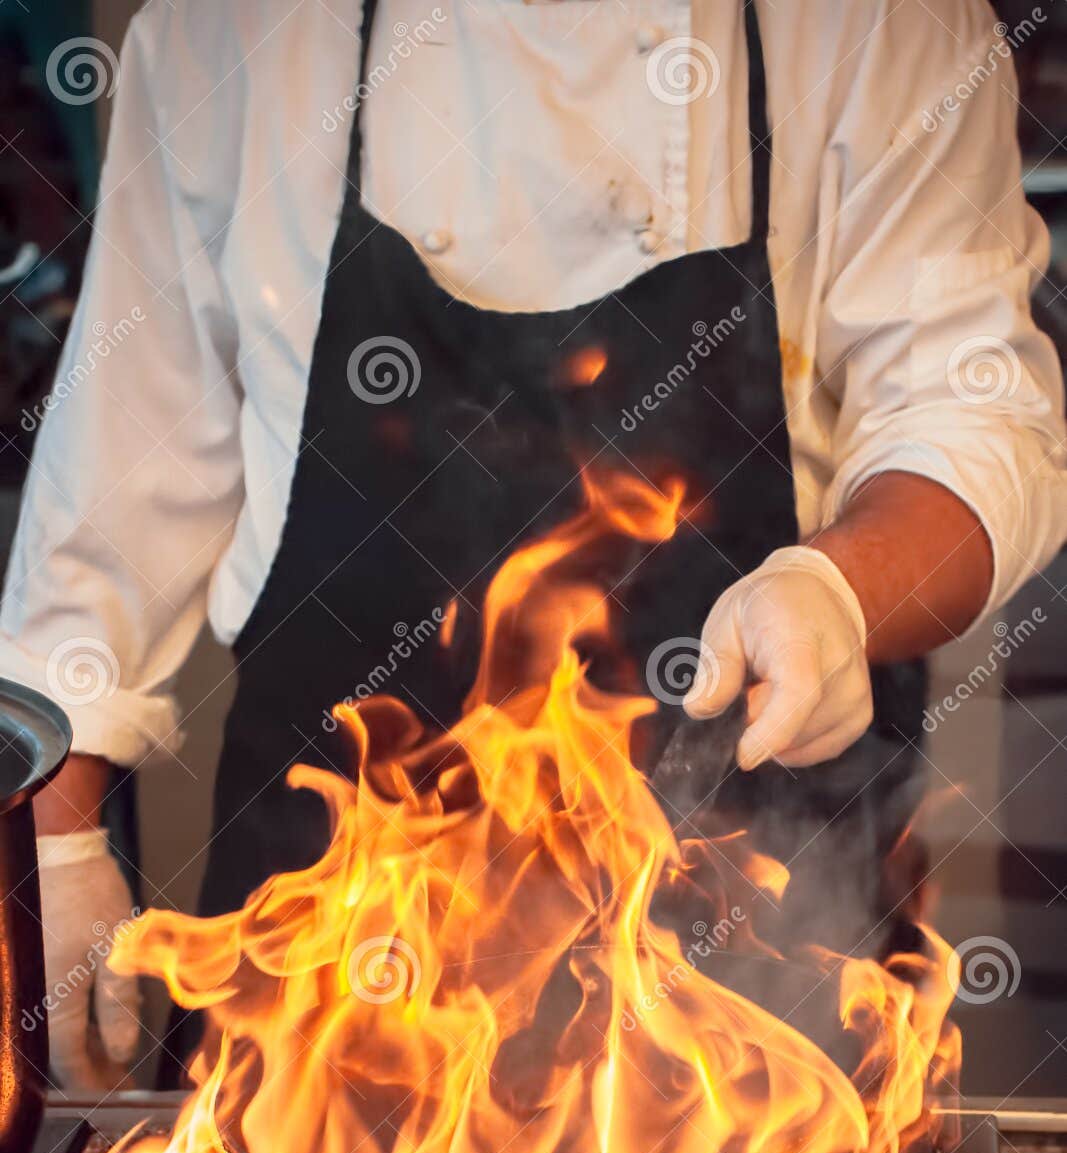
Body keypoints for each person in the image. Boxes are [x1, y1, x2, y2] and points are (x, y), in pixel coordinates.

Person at [1, 0, 1064, 1090]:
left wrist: (837, 591)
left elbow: (972, 414)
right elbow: (124, 456)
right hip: (328, 945)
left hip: (753, 960)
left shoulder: (879, 25)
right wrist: (53, 846)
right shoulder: (226, 34)